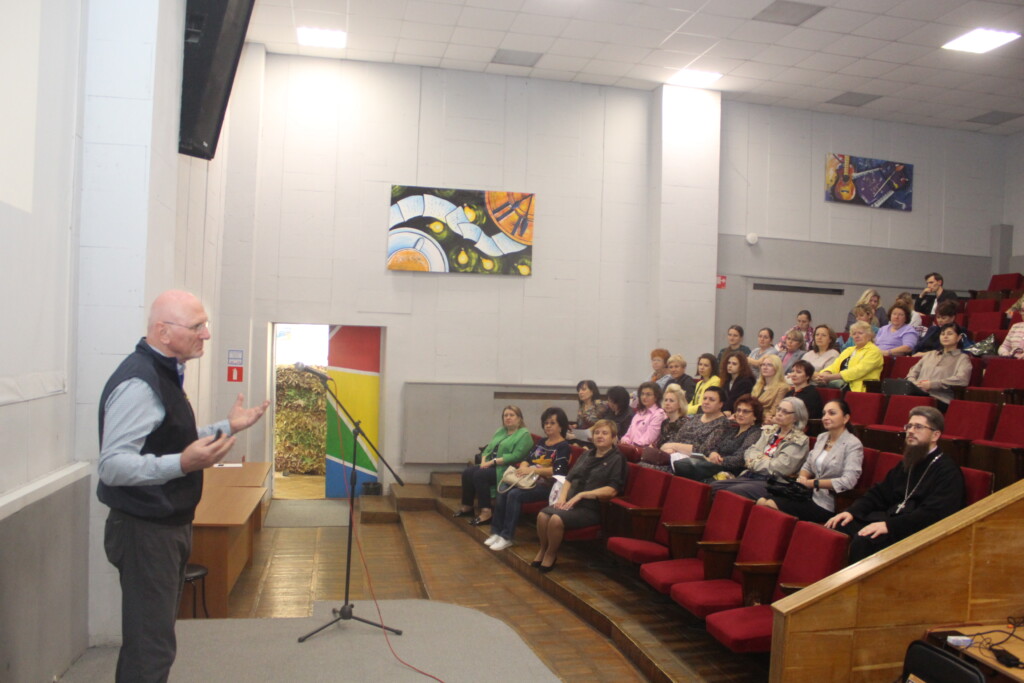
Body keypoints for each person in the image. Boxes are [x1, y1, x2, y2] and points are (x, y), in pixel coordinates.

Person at [97, 290, 269, 683]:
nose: (206, 334)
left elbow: (170, 438)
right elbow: (111, 466)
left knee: (154, 640)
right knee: (151, 646)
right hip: (145, 530)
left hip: (164, 525)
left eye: (205, 324)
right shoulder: (140, 383)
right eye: (196, 326)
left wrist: (226, 427)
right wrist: (182, 464)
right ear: (163, 332)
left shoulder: (165, 372)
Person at [825, 406, 964, 563]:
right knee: (839, 525)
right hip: (892, 519)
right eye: (909, 426)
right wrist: (852, 511)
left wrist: (890, 526)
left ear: (935, 435)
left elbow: (933, 514)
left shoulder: (947, 471)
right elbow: (879, 493)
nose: (910, 431)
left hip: (916, 531)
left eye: (918, 427)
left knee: (865, 540)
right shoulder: (908, 462)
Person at [534, 419, 626, 572]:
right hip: (571, 502)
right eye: (597, 433)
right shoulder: (587, 454)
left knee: (556, 519)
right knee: (542, 516)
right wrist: (562, 498)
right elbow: (569, 478)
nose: (600, 436)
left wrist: (583, 495)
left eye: (605, 433)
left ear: (613, 437)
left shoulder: (617, 459)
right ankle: (543, 549)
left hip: (591, 507)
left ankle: (551, 553)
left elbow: (612, 489)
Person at [758, 399, 863, 523]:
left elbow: (848, 481)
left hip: (827, 502)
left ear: (845, 418)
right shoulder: (822, 437)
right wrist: (802, 478)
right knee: (761, 501)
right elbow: (808, 465)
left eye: (832, 413)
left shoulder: (853, 444)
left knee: (771, 504)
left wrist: (813, 483)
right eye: (824, 413)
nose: (825, 417)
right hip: (806, 493)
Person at [486, 407, 572, 551]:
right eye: (546, 423)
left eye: (552, 423)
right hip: (528, 480)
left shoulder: (563, 447)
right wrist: (523, 467)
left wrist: (531, 470)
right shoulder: (542, 442)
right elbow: (527, 459)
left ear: (561, 426)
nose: (548, 426)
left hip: (546, 486)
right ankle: (496, 532)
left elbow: (558, 471)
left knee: (514, 494)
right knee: (503, 488)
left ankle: (507, 537)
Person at [709, 397, 810, 501]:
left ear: (796, 417)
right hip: (751, 475)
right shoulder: (769, 431)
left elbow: (780, 468)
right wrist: (766, 459)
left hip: (774, 482)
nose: (779, 413)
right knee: (714, 486)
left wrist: (757, 460)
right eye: (779, 409)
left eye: (785, 412)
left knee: (732, 491)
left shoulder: (799, 440)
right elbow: (749, 452)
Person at [454, 405, 533, 526]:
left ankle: (486, 512)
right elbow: (488, 448)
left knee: (480, 475)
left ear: (519, 418)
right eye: (505, 415)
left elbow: (516, 456)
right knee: (468, 472)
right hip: (491, 464)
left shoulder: (524, 435)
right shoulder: (501, 431)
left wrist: (492, 462)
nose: (508, 418)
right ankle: (467, 507)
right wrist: (484, 461)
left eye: (511, 415)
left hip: (507, 468)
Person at [673, 395, 763, 481]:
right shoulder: (732, 429)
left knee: (685, 467)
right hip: (714, 465)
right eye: (738, 410)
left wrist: (720, 460)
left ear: (755, 416)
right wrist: (713, 453)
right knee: (681, 465)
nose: (740, 414)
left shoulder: (755, 433)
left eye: (745, 411)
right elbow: (716, 445)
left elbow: (740, 458)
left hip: (731, 471)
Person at [659, 386, 731, 466]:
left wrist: (673, 446)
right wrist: (669, 448)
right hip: (675, 457)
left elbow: (703, 450)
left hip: (693, 464)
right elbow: (675, 438)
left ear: (720, 404)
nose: (706, 402)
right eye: (704, 398)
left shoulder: (723, 423)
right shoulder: (696, 417)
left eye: (711, 400)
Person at [903, 324, 972, 406]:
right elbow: (912, 372)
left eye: (950, 334)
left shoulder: (962, 358)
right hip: (917, 394)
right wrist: (915, 384)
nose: (945, 336)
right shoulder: (930, 354)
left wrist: (933, 384)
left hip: (939, 398)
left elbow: (962, 380)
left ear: (959, 337)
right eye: (942, 334)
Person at [814, 322, 884, 392]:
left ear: (869, 335)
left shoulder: (874, 351)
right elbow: (835, 366)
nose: (856, 336)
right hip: (842, 385)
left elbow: (858, 370)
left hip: (862, 389)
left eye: (860, 333)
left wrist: (831, 377)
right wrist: (825, 373)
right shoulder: (848, 350)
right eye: (854, 334)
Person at [637, 383, 691, 472]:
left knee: (644, 466)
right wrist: (653, 446)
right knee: (639, 464)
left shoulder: (686, 423)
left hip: (674, 461)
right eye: (666, 400)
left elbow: (683, 447)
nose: (667, 403)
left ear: (679, 404)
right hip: (662, 456)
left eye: (671, 401)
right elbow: (661, 442)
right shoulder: (665, 422)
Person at [621, 381, 666, 448]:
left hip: (643, 449)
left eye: (648, 394)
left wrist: (633, 446)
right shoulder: (639, 413)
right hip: (632, 448)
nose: (644, 397)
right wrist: (625, 441)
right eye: (642, 394)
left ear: (656, 397)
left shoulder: (659, 414)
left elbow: (649, 438)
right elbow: (628, 434)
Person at [752, 354, 789, 420]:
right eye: (763, 364)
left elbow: (774, 411)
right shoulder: (758, 385)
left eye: (769, 365)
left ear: (777, 368)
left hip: (766, 420)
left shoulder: (782, 387)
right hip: (751, 418)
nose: (765, 367)